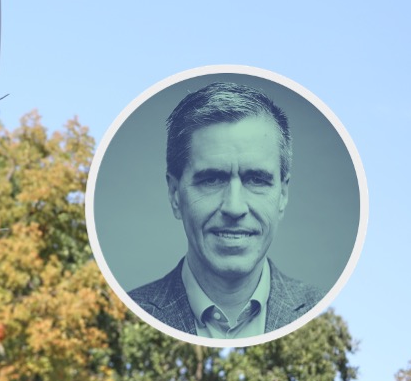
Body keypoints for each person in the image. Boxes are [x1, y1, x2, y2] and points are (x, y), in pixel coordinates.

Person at [128, 81, 323, 339]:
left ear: (283, 195)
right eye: (212, 179)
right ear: (175, 194)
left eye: (256, 180)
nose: (234, 207)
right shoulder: (123, 316)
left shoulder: (322, 312)